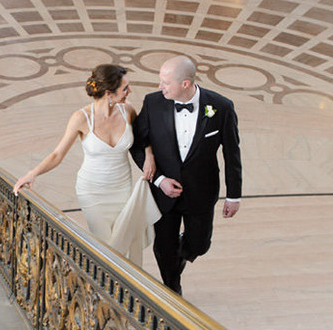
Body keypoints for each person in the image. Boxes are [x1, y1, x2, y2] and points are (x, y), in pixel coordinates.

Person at [13, 64, 160, 264]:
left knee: (124, 241)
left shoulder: (128, 111)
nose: (130, 91)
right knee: (107, 249)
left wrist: (149, 154)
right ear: (109, 93)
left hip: (122, 188)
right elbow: (57, 154)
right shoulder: (81, 118)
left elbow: (145, 136)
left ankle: (121, 289)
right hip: (93, 192)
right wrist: (33, 173)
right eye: (125, 88)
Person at [130, 55, 242, 295]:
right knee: (164, 248)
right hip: (163, 193)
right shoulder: (153, 103)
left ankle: (181, 258)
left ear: (185, 84)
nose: (160, 87)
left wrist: (234, 196)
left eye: (165, 82)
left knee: (199, 245)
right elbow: (137, 144)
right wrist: (159, 180)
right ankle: (173, 290)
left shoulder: (221, 107)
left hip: (201, 192)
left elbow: (232, 154)